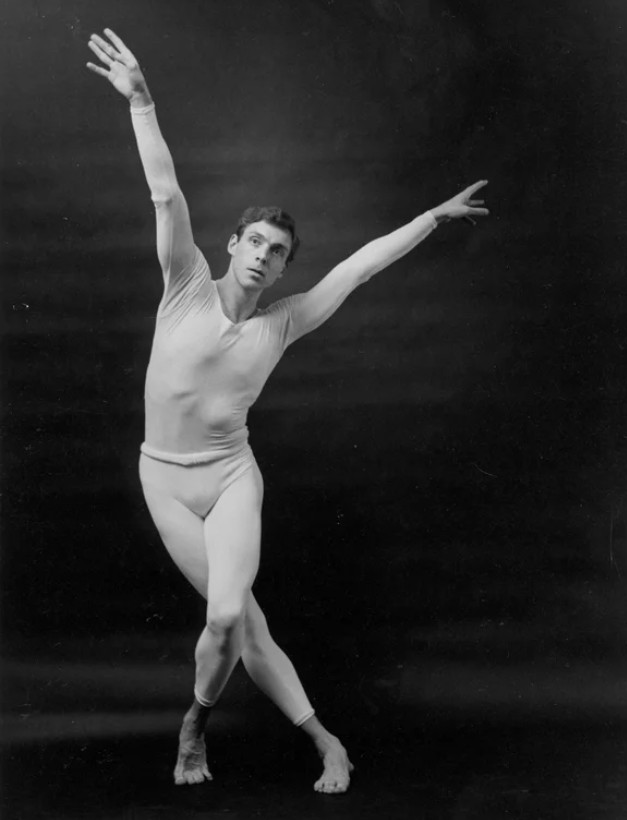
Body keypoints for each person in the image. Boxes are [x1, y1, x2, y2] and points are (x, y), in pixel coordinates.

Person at [86, 28, 489, 794]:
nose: (264, 256)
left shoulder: (284, 322)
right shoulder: (185, 285)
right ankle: (278, 735)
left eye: (278, 252)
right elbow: (166, 193)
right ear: (232, 244)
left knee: (230, 617)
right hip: (166, 480)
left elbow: (357, 269)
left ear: (280, 270)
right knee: (241, 624)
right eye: (256, 243)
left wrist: (432, 218)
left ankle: (237, 729)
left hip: (231, 478)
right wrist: (142, 102)